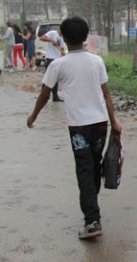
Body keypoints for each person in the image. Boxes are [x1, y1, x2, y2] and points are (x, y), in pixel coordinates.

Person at [26, 16, 121, 240]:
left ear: (63, 37)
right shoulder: (96, 61)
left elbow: (44, 94)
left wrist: (33, 116)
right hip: (100, 124)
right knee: (94, 167)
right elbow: (106, 94)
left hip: (78, 127)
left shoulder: (58, 64)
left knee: (85, 170)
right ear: (86, 36)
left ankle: (91, 220)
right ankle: (92, 209)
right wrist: (114, 121)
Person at [40, 26, 66, 101]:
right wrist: (51, 40)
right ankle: (43, 95)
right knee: (48, 77)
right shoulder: (52, 33)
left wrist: (63, 53)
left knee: (56, 78)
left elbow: (62, 50)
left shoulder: (63, 38)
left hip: (58, 59)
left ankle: (55, 96)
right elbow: (42, 38)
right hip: (50, 58)